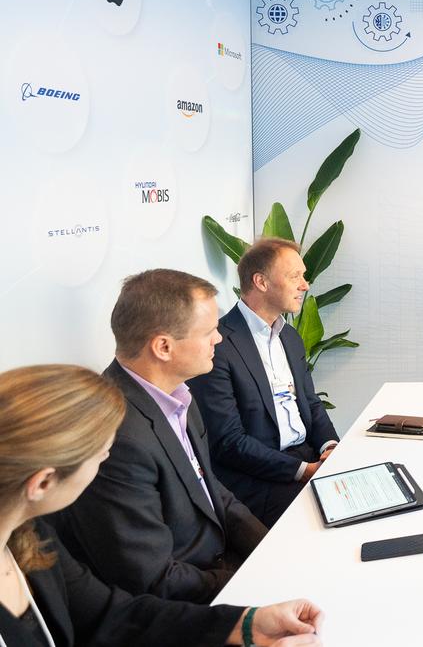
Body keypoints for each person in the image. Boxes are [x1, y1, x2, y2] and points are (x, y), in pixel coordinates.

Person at [0, 364, 322, 646]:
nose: (107, 458)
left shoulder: (31, 533)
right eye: (100, 454)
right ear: (42, 483)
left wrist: (246, 624)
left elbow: (111, 615)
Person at [51, 270, 267, 604]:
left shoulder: (180, 396)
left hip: (219, 571)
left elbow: (213, 492)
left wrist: (272, 548)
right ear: (163, 347)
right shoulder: (117, 439)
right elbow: (151, 577)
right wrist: (252, 585)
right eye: (210, 331)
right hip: (187, 601)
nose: (219, 339)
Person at [189, 238, 340, 528]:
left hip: (306, 458)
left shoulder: (290, 337)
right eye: (295, 276)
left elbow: (310, 402)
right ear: (261, 282)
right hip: (258, 479)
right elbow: (228, 442)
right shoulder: (217, 345)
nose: (305, 285)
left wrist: (329, 447)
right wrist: (303, 471)